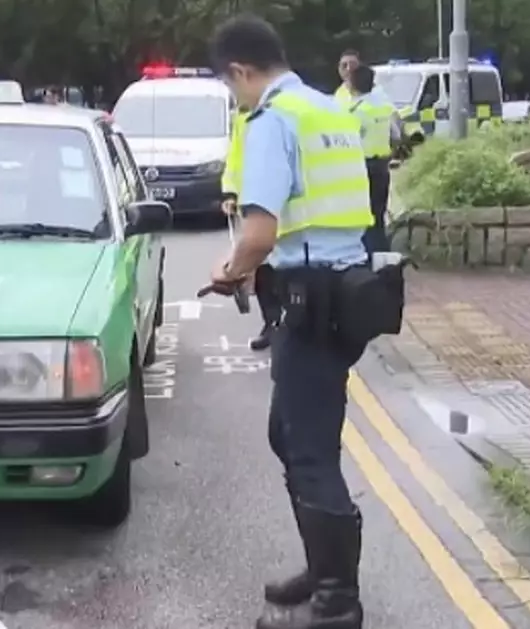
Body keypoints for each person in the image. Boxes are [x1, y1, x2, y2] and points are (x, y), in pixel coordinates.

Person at [207, 15, 374, 629]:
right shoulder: (329, 109)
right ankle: (320, 570)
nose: (236, 98)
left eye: (232, 88)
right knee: (293, 435)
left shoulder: (273, 119)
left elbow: (259, 231)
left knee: (308, 452)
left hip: (309, 300)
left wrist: (229, 269)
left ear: (241, 72)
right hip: (344, 294)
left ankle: (336, 604)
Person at [222, 105, 282, 351]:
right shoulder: (244, 116)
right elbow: (236, 156)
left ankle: (288, 322)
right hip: (253, 200)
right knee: (262, 265)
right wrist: (230, 191)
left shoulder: (286, 112)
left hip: (287, 201)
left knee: (285, 264)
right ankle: (272, 323)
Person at [345, 64, 398, 254]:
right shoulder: (383, 108)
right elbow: (396, 136)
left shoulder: (354, 111)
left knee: (363, 218)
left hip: (361, 169)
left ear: (352, 84)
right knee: (379, 215)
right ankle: (384, 260)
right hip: (382, 168)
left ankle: (367, 260)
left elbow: (347, 142)